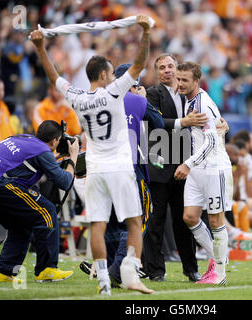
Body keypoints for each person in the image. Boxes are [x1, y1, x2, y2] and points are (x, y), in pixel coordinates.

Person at [30, 15, 153, 296]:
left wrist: (40, 48)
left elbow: (54, 76)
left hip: (95, 168)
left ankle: (104, 284)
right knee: (135, 222)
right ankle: (130, 274)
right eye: (111, 73)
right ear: (103, 75)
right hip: (120, 166)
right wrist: (145, 31)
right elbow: (139, 63)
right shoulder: (114, 93)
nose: (114, 77)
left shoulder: (77, 97)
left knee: (97, 225)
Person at [78, 63, 164, 287]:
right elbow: (159, 124)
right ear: (133, 84)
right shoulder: (137, 100)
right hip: (127, 169)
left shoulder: (90, 99)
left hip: (97, 168)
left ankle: (105, 270)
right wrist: (142, 102)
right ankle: (119, 271)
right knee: (138, 218)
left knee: (109, 222)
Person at [0, 120, 78, 283]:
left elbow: (30, 162)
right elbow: (65, 182)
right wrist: (73, 157)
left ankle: (3, 272)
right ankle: (47, 269)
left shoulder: (23, 138)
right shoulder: (41, 150)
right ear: (55, 141)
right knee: (46, 211)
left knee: (22, 223)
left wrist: (59, 158)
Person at [143, 53, 207, 283]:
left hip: (184, 168)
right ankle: (155, 271)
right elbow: (155, 123)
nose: (167, 71)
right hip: (160, 168)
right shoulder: (151, 93)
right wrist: (184, 122)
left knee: (185, 222)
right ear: (157, 72)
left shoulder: (189, 93)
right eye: (162, 67)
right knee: (156, 223)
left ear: (178, 68)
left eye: (170, 66)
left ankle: (191, 269)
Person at [174, 61, 232, 285]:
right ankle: (220, 259)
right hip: (198, 168)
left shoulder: (203, 104)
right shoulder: (189, 100)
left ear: (196, 81)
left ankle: (219, 273)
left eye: (184, 80)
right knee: (189, 216)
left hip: (214, 166)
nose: (180, 84)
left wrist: (187, 164)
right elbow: (217, 128)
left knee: (216, 219)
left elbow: (211, 141)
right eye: (179, 79)